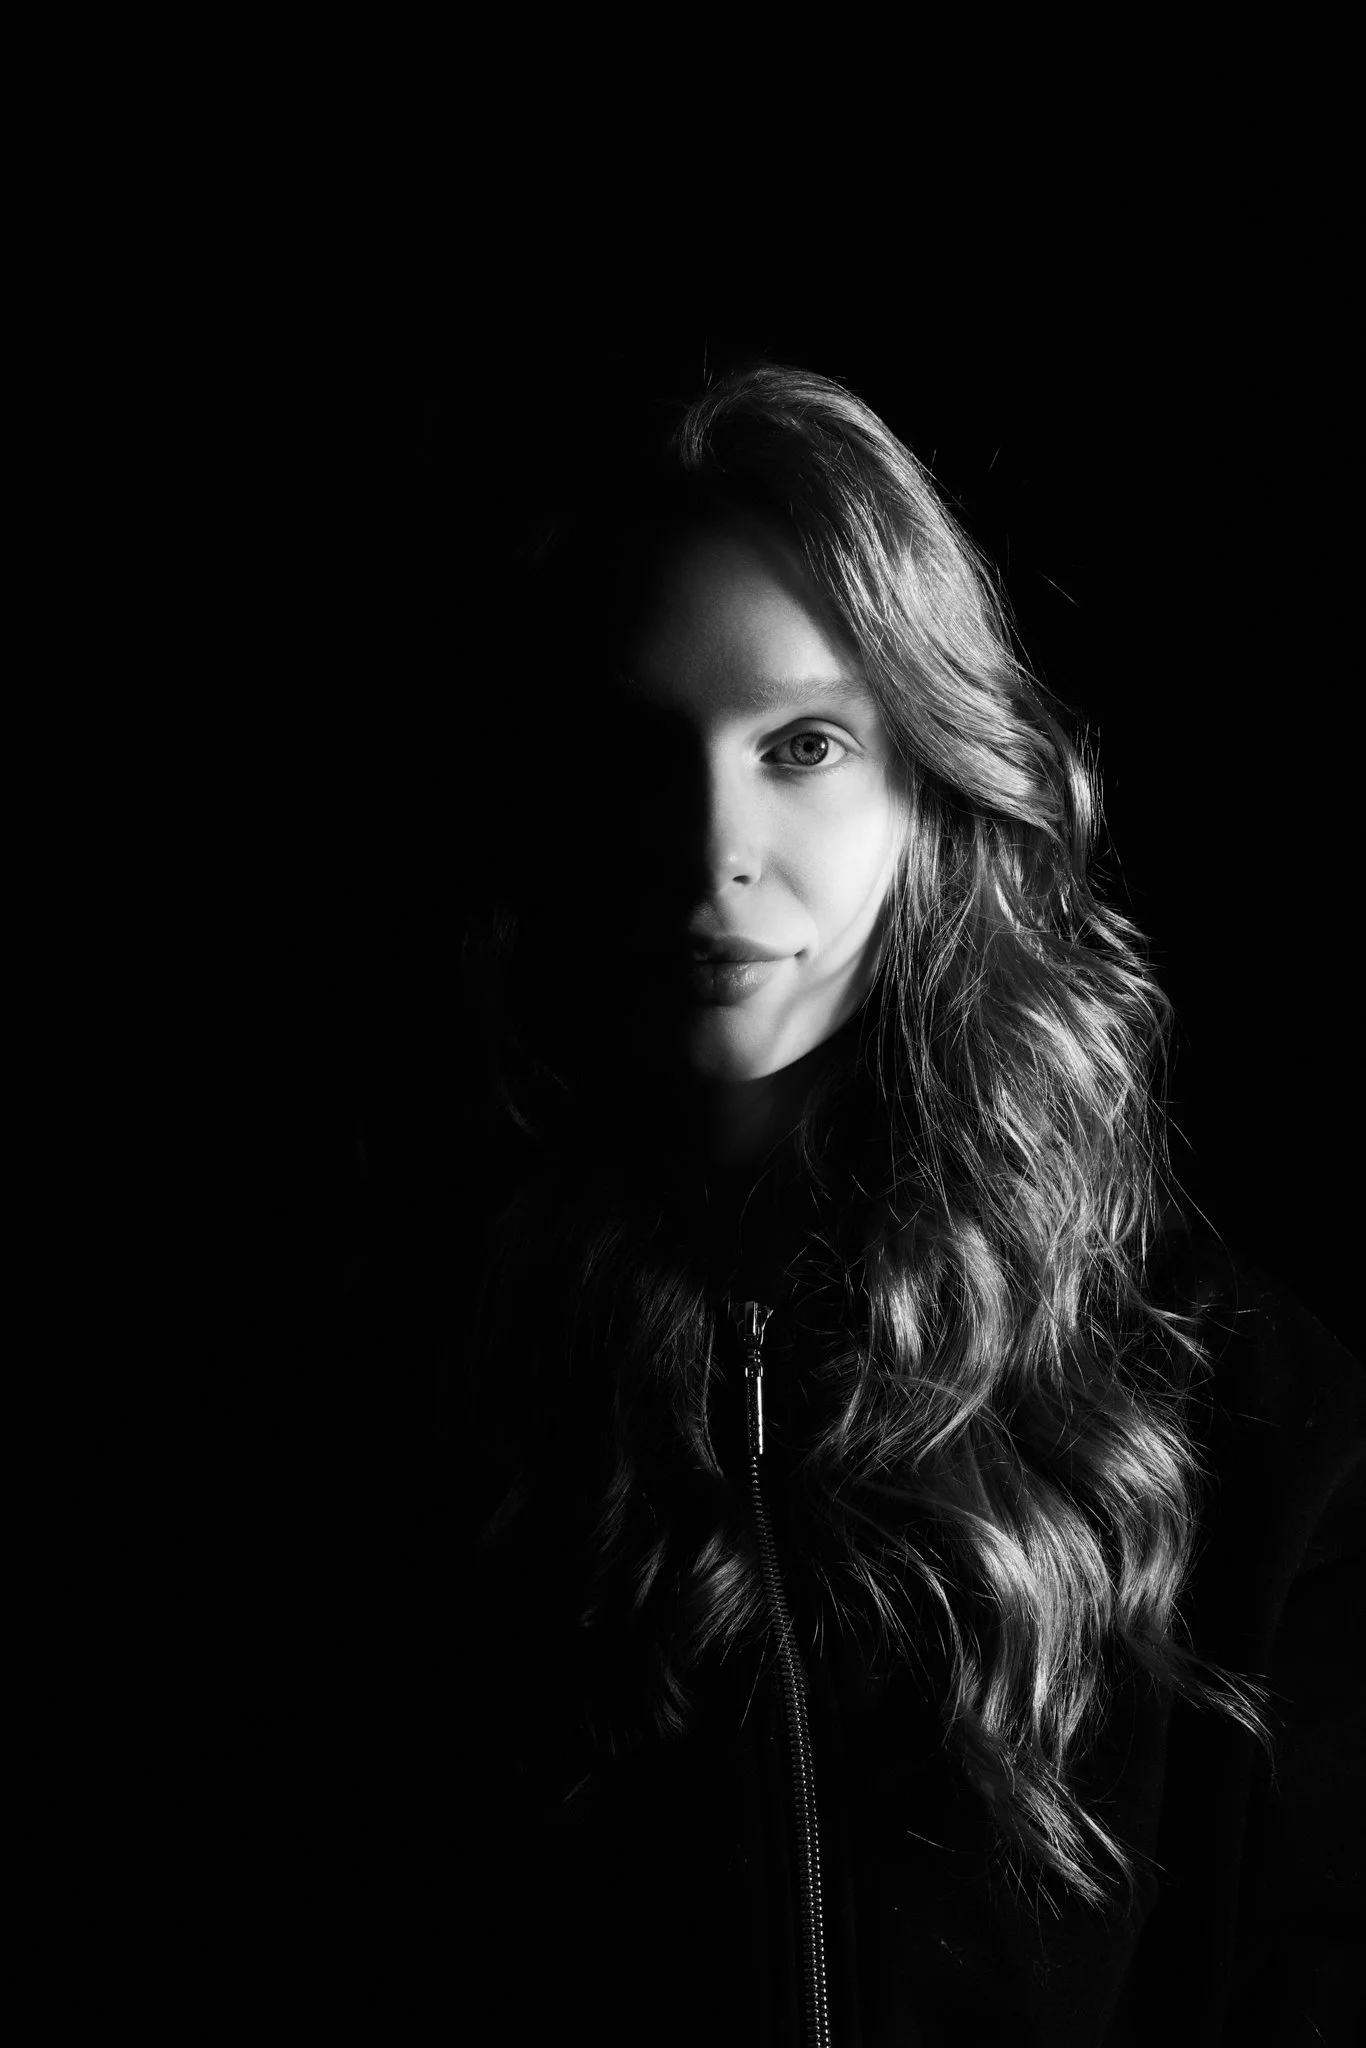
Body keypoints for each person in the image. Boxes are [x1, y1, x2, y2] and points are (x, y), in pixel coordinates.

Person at [447, 362, 1363, 2044]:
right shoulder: (442, 1368)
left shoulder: (1236, 1410)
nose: (713, 846)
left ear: (930, 786)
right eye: (647, 752)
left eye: (801, 747)